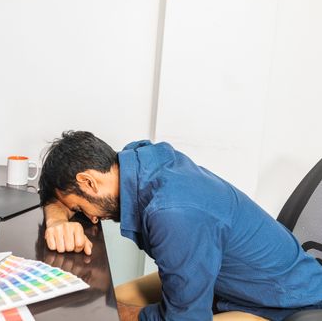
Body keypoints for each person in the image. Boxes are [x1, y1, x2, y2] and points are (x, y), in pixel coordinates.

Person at [39, 131, 322, 321]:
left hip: (284, 305)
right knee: (110, 300)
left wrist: (133, 315)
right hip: (220, 277)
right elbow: (54, 195)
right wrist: (57, 217)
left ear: (88, 181)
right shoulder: (136, 159)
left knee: (117, 312)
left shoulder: (172, 213)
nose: (88, 218)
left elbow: (186, 318)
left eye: (78, 207)